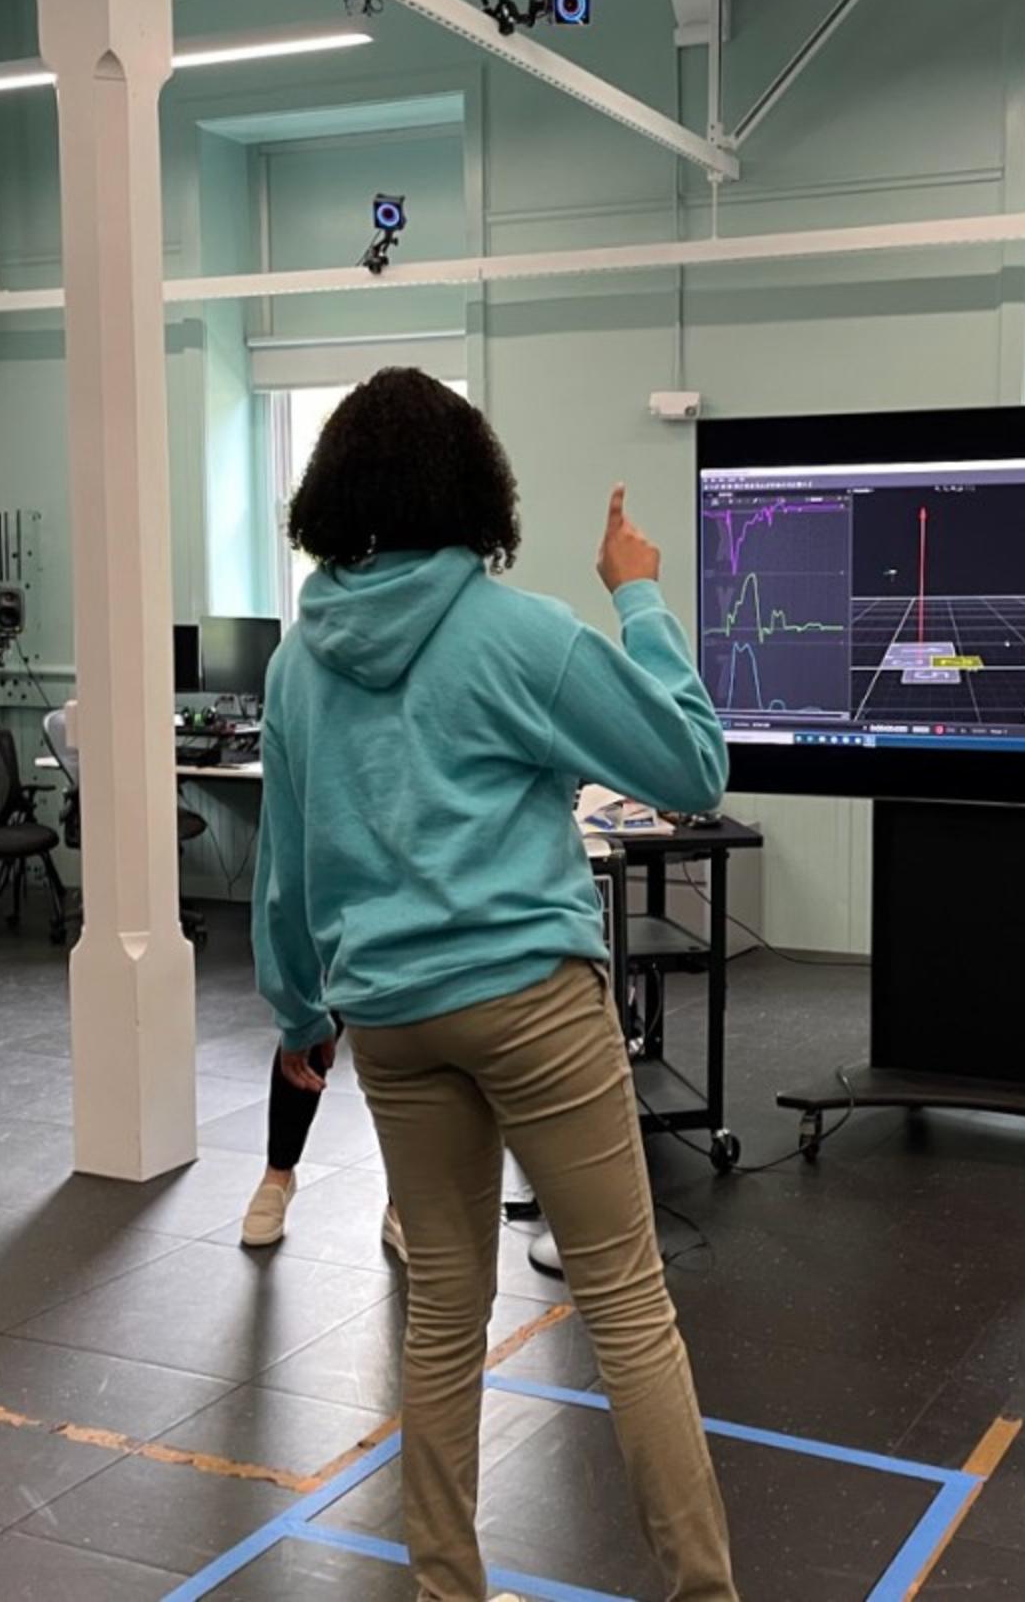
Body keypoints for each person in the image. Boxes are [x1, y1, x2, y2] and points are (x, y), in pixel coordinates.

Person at [248, 368, 737, 1602]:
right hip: (530, 1000)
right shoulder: (518, 632)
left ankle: (444, 1590)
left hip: (392, 1020)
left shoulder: (299, 666)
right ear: (478, 489)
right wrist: (640, 595)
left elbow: (287, 870)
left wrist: (302, 1018)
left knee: (443, 1305)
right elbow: (691, 763)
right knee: (625, 1299)